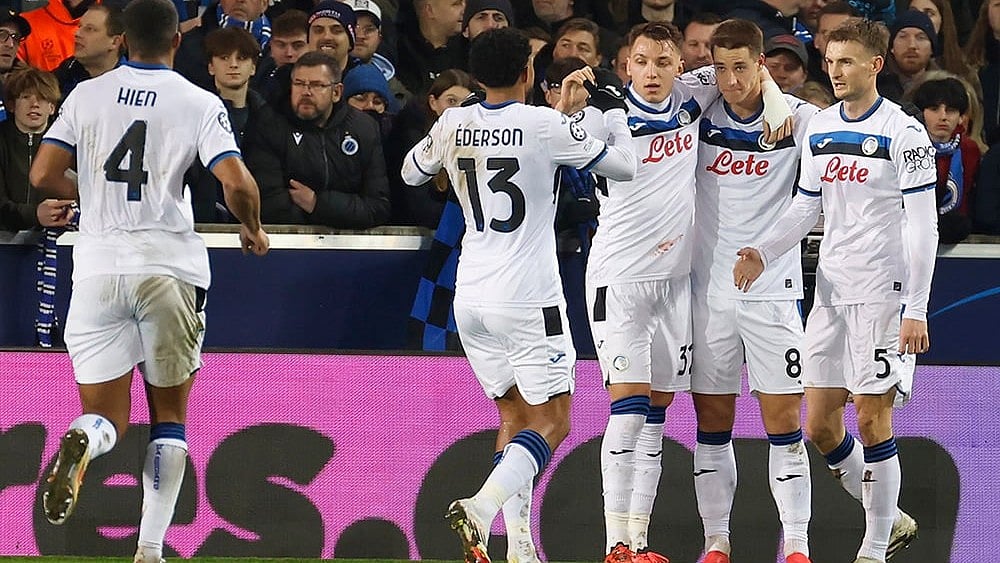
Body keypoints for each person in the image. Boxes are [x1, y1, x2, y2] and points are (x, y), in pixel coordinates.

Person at [30, 4, 269, 563]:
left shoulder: (86, 96)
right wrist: (252, 228)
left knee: (108, 415)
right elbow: (237, 182)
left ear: (123, 40)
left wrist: (88, 189)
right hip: (168, 266)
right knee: (170, 417)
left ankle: (85, 438)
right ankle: (150, 549)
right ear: (175, 42)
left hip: (96, 268)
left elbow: (41, 173)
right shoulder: (197, 101)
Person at [401, 27, 637, 563]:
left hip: (472, 295)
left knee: (513, 415)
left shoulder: (455, 120)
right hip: (529, 296)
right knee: (554, 421)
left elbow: (412, 172)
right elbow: (624, 167)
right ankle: (482, 508)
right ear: (529, 74)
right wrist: (608, 110)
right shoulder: (542, 124)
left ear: (478, 75)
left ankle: (522, 551)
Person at [581, 20, 791, 563]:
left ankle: (640, 543)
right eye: (641, 61)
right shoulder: (606, 117)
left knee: (657, 412)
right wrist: (567, 110)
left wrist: (770, 94)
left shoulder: (695, 95)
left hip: (676, 283)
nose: (651, 73)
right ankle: (613, 544)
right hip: (620, 280)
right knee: (627, 409)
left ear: (680, 66)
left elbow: (743, 72)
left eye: (662, 63)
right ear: (626, 64)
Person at [732, 18, 935, 563]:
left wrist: (915, 309)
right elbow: (806, 205)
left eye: (846, 61)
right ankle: (891, 517)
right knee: (820, 426)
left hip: (884, 294)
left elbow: (923, 227)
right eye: (830, 60)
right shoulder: (819, 127)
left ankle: (874, 547)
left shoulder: (904, 133)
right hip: (830, 292)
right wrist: (763, 249)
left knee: (871, 419)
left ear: (874, 65)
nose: (834, 70)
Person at [691, 18, 819, 563]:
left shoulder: (801, 119)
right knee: (712, 422)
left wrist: (772, 95)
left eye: (742, 67)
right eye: (721, 68)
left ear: (761, 65)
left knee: (784, 422)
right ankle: (717, 541)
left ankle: (796, 543)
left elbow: (816, 186)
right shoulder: (696, 113)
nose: (730, 79)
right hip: (709, 291)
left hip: (773, 291)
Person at [245, 50, 391, 228]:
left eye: (316, 85)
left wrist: (317, 204)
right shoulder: (269, 125)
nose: (306, 92)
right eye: (299, 84)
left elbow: (378, 207)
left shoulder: (364, 129)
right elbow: (268, 205)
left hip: (351, 248)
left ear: (336, 92)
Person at [911, 75, 981, 244]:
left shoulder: (969, 150)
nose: (943, 116)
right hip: (912, 230)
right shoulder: (909, 146)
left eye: (950, 110)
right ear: (922, 114)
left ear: (961, 117)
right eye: (934, 109)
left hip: (958, 233)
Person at [0, 68, 61, 233]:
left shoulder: (67, 144)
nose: (34, 104)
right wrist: (34, 214)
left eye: (42, 98)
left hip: (53, 240)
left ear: (52, 107)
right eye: (26, 97)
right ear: (12, 105)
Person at [53, 4, 125, 100]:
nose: (77, 33)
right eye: (80, 26)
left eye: (89, 29)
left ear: (115, 42)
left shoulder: (135, 82)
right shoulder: (62, 77)